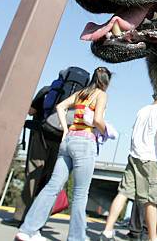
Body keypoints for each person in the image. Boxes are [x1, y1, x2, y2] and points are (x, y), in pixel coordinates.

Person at [15, 67, 112, 241]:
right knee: (81, 193)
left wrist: (66, 130)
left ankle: (27, 230)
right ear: (105, 81)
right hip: (85, 142)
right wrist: (107, 132)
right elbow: (97, 120)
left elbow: (60, 107)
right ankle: (76, 238)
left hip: (68, 140)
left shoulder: (81, 93)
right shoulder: (101, 94)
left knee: (52, 186)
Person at [100, 94, 157, 241]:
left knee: (123, 193)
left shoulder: (143, 110)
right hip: (151, 159)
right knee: (151, 200)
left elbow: (134, 133)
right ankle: (152, 238)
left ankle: (107, 231)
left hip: (134, 157)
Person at [2, 85, 60, 228]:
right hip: (60, 140)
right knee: (50, 180)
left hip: (40, 136)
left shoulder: (48, 90)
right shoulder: (78, 96)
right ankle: (39, 220)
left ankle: (20, 217)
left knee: (33, 175)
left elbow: (31, 111)